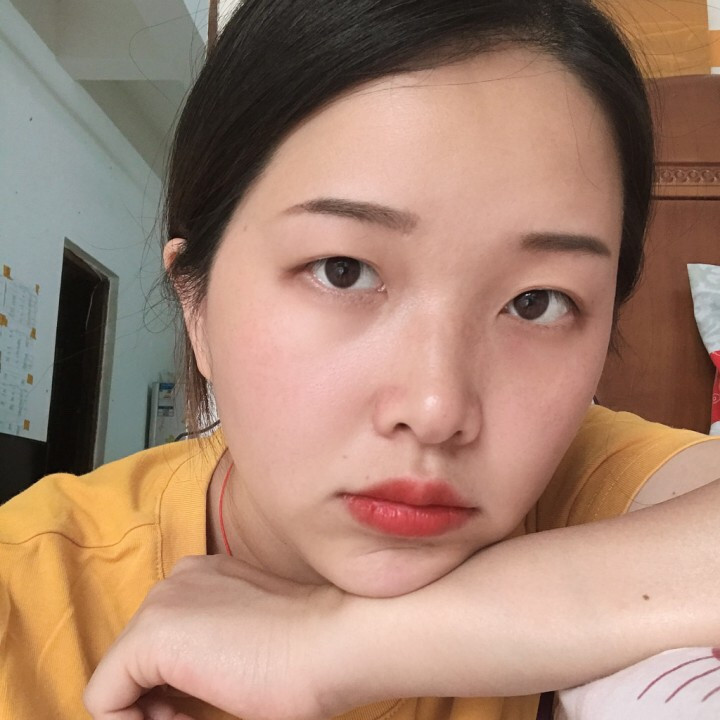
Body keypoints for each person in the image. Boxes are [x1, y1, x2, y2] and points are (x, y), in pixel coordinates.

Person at [2, 1, 719, 719]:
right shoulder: (28, 600)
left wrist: (331, 646)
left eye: (537, 303)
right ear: (197, 306)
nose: (436, 410)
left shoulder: (585, 499)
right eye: (342, 271)